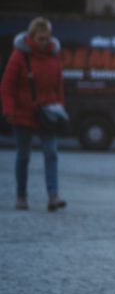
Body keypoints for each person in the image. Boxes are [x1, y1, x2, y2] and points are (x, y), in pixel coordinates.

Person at [2, 17, 67, 212]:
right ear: (31, 37)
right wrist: (8, 110)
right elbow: (7, 85)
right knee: (23, 156)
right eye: (40, 38)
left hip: (47, 113)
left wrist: (60, 109)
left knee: (51, 153)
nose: (44, 42)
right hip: (23, 113)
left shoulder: (54, 56)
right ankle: (21, 196)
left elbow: (59, 86)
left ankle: (53, 196)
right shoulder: (20, 56)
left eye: (47, 38)